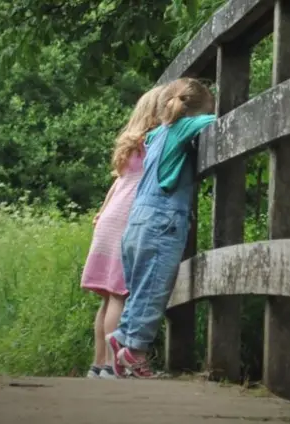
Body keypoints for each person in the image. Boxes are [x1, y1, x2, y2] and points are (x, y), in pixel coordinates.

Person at [106, 77, 216, 378]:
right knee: (154, 290)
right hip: (163, 218)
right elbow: (217, 121)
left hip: (137, 219)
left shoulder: (155, 136)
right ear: (193, 110)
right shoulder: (185, 127)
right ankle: (135, 350)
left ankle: (122, 339)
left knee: (139, 287)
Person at [80, 84, 165, 379]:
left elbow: (117, 183)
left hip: (109, 220)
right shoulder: (150, 144)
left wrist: (102, 212)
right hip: (125, 222)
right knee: (119, 295)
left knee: (107, 298)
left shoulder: (130, 145)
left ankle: (98, 364)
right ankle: (110, 366)